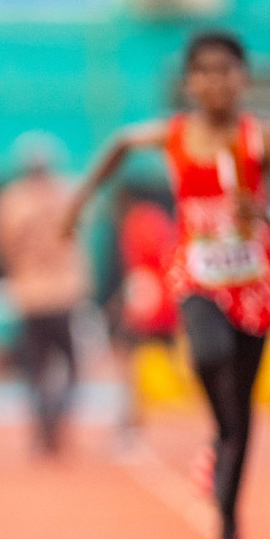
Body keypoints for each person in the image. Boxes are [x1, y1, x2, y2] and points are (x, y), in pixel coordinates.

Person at [65, 31, 270, 539]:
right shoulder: (173, 135)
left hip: (255, 281)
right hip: (199, 275)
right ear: (188, 82)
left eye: (226, 71)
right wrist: (79, 201)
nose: (215, 82)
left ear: (244, 78)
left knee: (243, 407)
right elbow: (118, 145)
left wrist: (269, 215)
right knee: (207, 355)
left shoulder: (262, 140)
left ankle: (229, 516)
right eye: (203, 71)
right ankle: (220, 438)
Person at [0, 134, 91, 457]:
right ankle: (57, 412)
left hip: (28, 295)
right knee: (72, 366)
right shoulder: (67, 193)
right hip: (64, 292)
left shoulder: (11, 199)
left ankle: (42, 419)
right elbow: (81, 238)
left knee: (35, 367)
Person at [107, 188, 180, 446]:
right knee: (173, 359)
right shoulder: (156, 218)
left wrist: (127, 307)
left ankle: (131, 422)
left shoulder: (135, 225)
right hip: (167, 297)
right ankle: (133, 420)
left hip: (152, 300)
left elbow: (141, 272)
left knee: (126, 359)